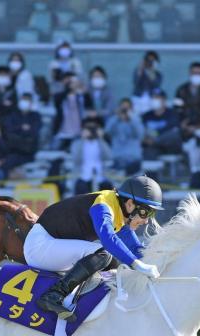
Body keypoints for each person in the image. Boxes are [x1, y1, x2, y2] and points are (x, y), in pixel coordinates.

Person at [28, 175, 163, 319]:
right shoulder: (103, 204)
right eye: (146, 212)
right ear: (130, 204)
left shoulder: (119, 213)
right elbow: (107, 238)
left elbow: (136, 250)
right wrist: (136, 264)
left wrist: (160, 265)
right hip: (40, 246)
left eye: (152, 214)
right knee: (103, 254)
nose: (146, 221)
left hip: (53, 245)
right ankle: (53, 295)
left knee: (113, 261)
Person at [71, 120, 112, 194]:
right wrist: (83, 139)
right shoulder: (77, 144)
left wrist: (101, 138)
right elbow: (76, 159)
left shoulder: (100, 143)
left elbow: (108, 156)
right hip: (83, 176)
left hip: (100, 176)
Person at [105, 99, 145, 175]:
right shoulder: (114, 120)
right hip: (118, 159)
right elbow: (107, 131)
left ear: (131, 109)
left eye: (127, 108)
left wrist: (131, 118)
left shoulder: (136, 120)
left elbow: (140, 134)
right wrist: (117, 117)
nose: (124, 111)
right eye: (123, 108)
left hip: (133, 159)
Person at [141, 91, 182, 160]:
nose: (154, 100)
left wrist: (155, 139)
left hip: (169, 146)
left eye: (157, 98)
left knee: (173, 134)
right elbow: (141, 130)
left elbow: (172, 132)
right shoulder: (146, 116)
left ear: (164, 101)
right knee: (147, 153)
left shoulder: (172, 114)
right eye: (153, 98)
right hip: (152, 147)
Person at [174, 62, 200, 127]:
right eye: (194, 73)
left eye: (199, 73)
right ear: (189, 73)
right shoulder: (181, 90)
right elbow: (177, 109)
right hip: (184, 125)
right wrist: (183, 121)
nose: (196, 75)